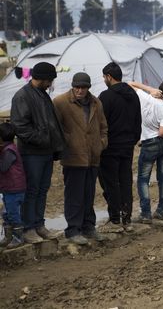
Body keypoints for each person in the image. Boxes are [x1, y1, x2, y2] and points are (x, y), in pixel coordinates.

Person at [10, 62, 64, 244]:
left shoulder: (42, 94)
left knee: (42, 190)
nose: (50, 84)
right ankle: (28, 228)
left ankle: (39, 224)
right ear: (42, 79)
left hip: (46, 152)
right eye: (49, 80)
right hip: (32, 153)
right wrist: (43, 139)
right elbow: (20, 127)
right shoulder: (23, 96)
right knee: (31, 190)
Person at [53, 72, 108, 245]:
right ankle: (73, 230)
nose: (79, 90)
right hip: (73, 157)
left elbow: (103, 126)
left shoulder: (96, 102)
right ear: (72, 86)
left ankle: (89, 227)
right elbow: (56, 128)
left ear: (88, 88)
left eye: (83, 87)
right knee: (74, 195)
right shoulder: (61, 102)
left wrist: (101, 143)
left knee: (88, 194)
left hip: (92, 157)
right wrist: (68, 143)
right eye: (77, 86)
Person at [98, 62, 142, 233]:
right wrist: (134, 138)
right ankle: (127, 217)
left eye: (104, 77)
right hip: (127, 146)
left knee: (111, 182)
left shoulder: (106, 96)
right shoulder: (132, 94)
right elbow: (138, 119)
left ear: (109, 77)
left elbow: (101, 123)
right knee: (125, 181)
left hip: (110, 147)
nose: (103, 80)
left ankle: (115, 217)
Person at [128, 80, 163, 224]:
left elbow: (129, 83)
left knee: (143, 179)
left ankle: (146, 213)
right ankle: (161, 210)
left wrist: (149, 89)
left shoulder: (145, 98)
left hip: (149, 143)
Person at [0, 123, 27, 249]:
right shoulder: (7, 148)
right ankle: (8, 236)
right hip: (8, 188)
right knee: (6, 213)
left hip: (14, 188)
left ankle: (18, 237)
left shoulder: (9, 150)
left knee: (13, 213)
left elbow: (3, 167)